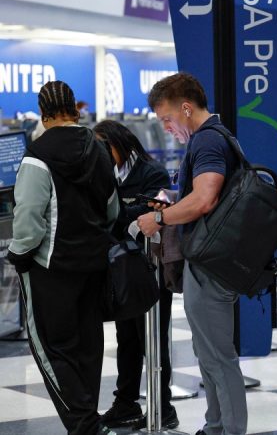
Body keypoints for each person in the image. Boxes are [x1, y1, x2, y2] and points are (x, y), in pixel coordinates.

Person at [137, 73, 247, 435]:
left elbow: (205, 199)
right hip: (211, 260)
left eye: (167, 119)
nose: (167, 128)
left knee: (218, 356)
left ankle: (228, 429)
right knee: (208, 354)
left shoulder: (208, 143)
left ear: (186, 108)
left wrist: (159, 217)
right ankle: (215, 426)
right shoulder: (213, 138)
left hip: (211, 265)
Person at [8, 80, 119, 435]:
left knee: (52, 349)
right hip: (94, 265)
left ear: (43, 112)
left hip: (50, 269)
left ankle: (85, 425)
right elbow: (112, 208)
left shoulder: (37, 156)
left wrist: (19, 254)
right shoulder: (99, 149)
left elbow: (27, 218)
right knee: (88, 344)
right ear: (74, 108)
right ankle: (89, 418)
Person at [93, 120, 178, 430]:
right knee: (126, 337)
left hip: (148, 268)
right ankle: (125, 401)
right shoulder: (102, 174)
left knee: (151, 337)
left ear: (119, 143)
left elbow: (153, 214)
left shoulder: (150, 172)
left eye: (105, 147)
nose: (101, 155)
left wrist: (122, 215)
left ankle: (163, 405)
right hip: (119, 268)